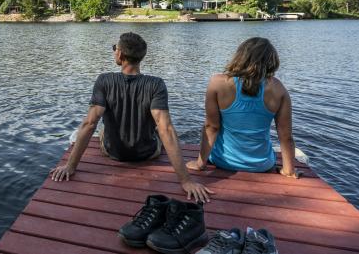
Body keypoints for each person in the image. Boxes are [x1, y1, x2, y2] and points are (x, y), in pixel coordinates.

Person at [50, 32, 213, 203]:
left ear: (120, 54)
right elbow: (166, 129)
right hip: (147, 153)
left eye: (115, 49)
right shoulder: (156, 84)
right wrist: (186, 181)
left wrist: (70, 166)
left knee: (101, 126)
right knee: (161, 127)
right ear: (141, 57)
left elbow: (89, 123)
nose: (114, 52)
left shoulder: (104, 80)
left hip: (112, 152)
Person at [186, 37, 300, 178]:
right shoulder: (279, 89)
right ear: (271, 61)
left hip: (223, 161)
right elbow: (285, 136)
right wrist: (288, 171)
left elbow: (211, 127)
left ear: (240, 56)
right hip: (262, 165)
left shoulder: (217, 83)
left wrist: (200, 164)